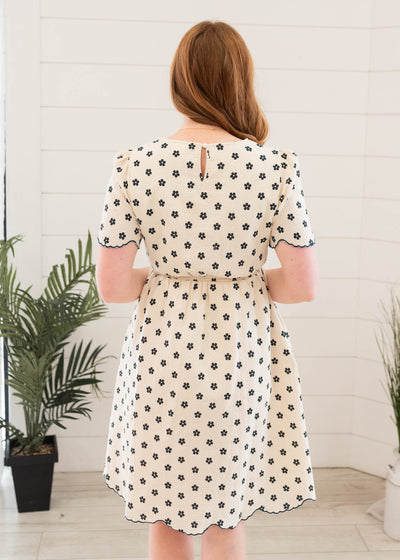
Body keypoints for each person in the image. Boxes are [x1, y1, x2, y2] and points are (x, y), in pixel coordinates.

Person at [96, 19, 319, 560]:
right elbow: (300, 286)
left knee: (166, 519)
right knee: (227, 515)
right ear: (241, 81)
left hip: (160, 354)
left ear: (180, 81)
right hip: (241, 353)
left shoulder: (133, 166)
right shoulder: (276, 168)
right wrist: (236, 280)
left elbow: (114, 286)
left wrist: (172, 278)